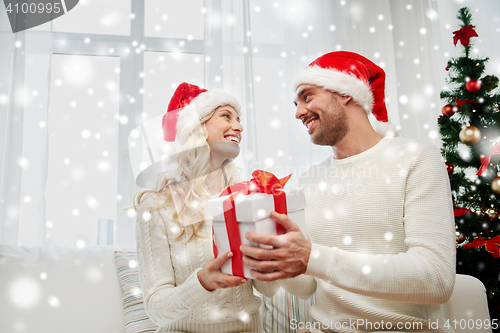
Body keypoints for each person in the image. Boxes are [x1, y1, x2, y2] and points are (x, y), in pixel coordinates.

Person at [240, 52, 456, 332]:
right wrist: (273, 256)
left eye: (307, 97)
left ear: (346, 93)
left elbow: (435, 279)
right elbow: (307, 286)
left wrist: (311, 257)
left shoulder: (416, 158)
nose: (298, 113)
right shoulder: (309, 180)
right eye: (296, 103)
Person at [134, 82, 278, 333]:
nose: (239, 127)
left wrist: (271, 252)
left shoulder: (247, 197)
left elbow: (268, 289)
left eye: (239, 119)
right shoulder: (157, 206)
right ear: (197, 128)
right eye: (226, 116)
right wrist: (202, 282)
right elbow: (156, 309)